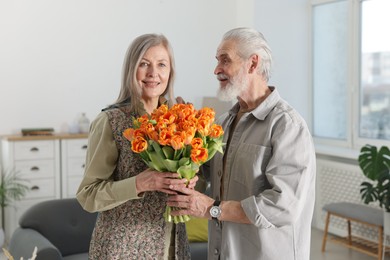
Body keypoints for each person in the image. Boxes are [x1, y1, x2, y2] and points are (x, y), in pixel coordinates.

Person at [167, 27, 316, 260]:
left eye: (225, 60)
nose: (216, 69)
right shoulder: (222, 123)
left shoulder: (287, 126)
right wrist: (186, 137)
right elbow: (201, 177)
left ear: (253, 64)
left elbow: (283, 205)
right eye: (217, 61)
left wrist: (212, 209)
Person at [76, 33, 196, 259]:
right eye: (144, 64)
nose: (153, 73)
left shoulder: (182, 121)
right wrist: (140, 183)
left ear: (170, 72)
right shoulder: (111, 121)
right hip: (123, 249)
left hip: (173, 245)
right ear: (131, 69)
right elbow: (88, 195)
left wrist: (189, 179)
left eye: (162, 64)